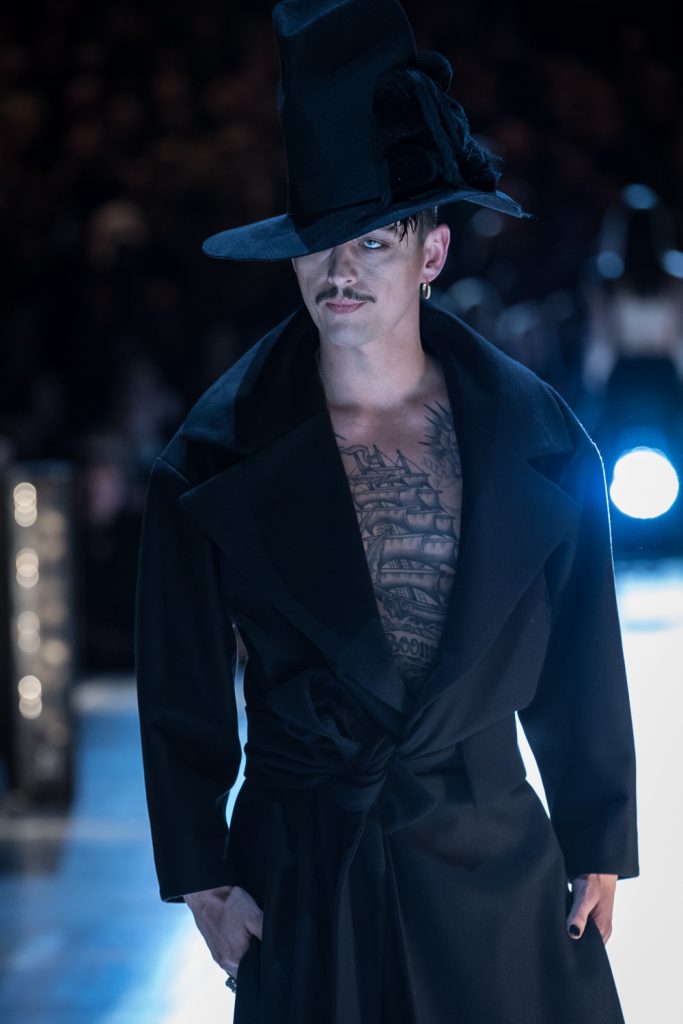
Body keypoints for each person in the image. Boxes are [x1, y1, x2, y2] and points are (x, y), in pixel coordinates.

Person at [134, 2, 639, 1022]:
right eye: (320, 244)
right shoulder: (212, 457)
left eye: (373, 240)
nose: (342, 272)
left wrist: (597, 837)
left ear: (431, 255)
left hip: (490, 853)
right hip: (305, 861)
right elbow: (178, 680)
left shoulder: (537, 438)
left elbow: (581, 645)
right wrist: (202, 878)